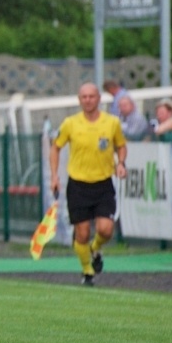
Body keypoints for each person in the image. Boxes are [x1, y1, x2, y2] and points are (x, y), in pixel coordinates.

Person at [48, 83, 128, 287]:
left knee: (106, 229)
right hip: (78, 184)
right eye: (84, 97)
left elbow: (121, 145)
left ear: (99, 98)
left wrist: (121, 164)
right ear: (79, 100)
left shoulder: (111, 122)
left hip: (103, 183)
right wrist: (54, 176)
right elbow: (55, 148)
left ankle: (96, 248)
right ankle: (87, 271)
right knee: (81, 233)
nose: (88, 100)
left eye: (91, 96)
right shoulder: (70, 123)